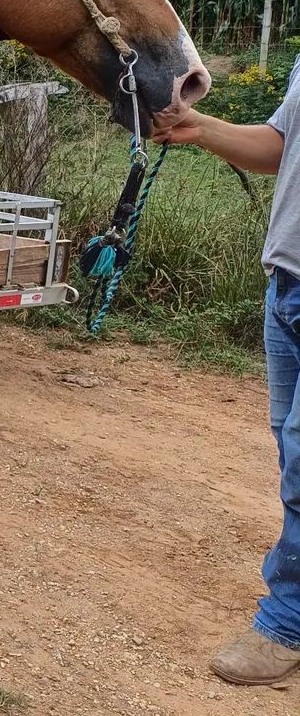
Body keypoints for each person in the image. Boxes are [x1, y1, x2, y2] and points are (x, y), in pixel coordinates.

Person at [156, 53, 300, 685]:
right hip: (287, 287)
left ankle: (287, 622)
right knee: (289, 452)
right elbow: (280, 146)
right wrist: (202, 128)